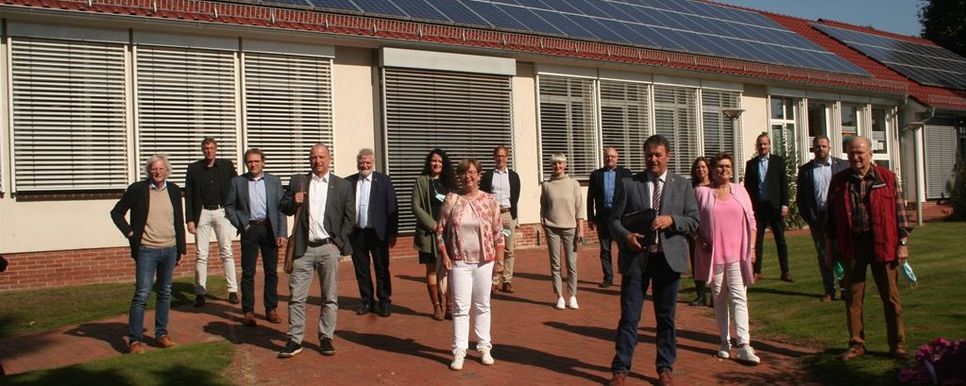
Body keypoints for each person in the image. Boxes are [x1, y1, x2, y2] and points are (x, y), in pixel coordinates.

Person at [608, 135, 699, 386]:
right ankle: (620, 368)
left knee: (666, 317)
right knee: (629, 316)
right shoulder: (629, 184)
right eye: (649, 154)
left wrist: (672, 220)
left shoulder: (682, 185)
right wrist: (626, 237)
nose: (653, 159)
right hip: (637, 258)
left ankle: (665, 368)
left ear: (668, 156)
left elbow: (694, 220)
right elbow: (613, 221)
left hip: (667, 260)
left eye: (658, 154)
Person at [825, 136, 911, 361]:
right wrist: (830, 248)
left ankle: (897, 345)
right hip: (853, 246)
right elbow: (831, 220)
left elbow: (900, 214)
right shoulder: (839, 181)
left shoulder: (887, 178)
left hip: (883, 245)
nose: (856, 157)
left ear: (870, 153)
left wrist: (903, 244)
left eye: (860, 152)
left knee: (891, 298)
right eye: (852, 152)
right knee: (853, 299)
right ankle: (856, 344)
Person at [277, 143, 355, 358]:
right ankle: (295, 339)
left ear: (329, 159)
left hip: (328, 248)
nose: (317, 161)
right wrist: (293, 201)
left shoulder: (342, 186)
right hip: (303, 248)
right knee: (296, 297)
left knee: (329, 297)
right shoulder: (299, 181)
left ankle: (326, 336)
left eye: (321, 157)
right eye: (313, 157)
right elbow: (282, 206)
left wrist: (337, 243)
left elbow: (350, 219)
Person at [110, 154, 186, 355]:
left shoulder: (174, 190)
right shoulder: (137, 189)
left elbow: (179, 220)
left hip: (169, 249)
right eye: (154, 169)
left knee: (165, 292)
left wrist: (181, 248)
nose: (157, 172)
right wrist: (130, 232)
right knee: (142, 294)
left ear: (167, 170)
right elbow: (116, 213)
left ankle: (161, 335)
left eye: (161, 168)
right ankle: (135, 340)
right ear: (149, 171)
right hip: (146, 250)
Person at [436, 158, 505, 371]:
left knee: (483, 305)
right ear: (460, 176)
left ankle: (484, 347)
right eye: (464, 173)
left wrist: (500, 261)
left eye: (472, 172)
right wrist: (445, 255)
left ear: (479, 175)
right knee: (460, 308)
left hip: (485, 261)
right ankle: (459, 351)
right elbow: (439, 232)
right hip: (460, 261)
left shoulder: (490, 200)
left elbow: (498, 233)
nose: (468, 177)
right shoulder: (452, 200)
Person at [694, 153, 760, 365]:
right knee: (719, 299)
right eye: (720, 167)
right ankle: (724, 341)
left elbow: (752, 221)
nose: (724, 170)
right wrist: (698, 238)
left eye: (728, 166)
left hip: (737, 254)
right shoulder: (702, 193)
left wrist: (751, 248)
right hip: (714, 255)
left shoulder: (740, 191)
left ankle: (744, 344)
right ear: (713, 170)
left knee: (739, 296)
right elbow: (692, 220)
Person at [225, 148, 286, 326]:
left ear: (263, 162)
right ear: (246, 163)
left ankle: (271, 308)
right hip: (249, 229)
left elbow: (281, 209)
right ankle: (248, 311)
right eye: (250, 162)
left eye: (256, 161)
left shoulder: (274, 181)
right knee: (248, 272)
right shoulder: (237, 182)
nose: (253, 164)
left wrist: (282, 233)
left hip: (269, 229)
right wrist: (241, 224)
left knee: (271, 272)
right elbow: (229, 206)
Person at [185, 137, 239, 307]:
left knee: (227, 251)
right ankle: (200, 292)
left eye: (211, 148)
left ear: (216, 149)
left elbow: (236, 187)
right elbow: (189, 195)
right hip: (202, 214)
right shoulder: (193, 168)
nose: (208, 151)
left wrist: (235, 210)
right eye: (206, 148)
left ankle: (232, 291)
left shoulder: (226, 166)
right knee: (201, 255)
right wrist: (190, 219)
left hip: (221, 212)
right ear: (202, 150)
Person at [346, 148, 399, 317]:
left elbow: (392, 207)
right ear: (357, 163)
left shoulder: (384, 181)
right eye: (362, 162)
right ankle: (367, 300)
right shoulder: (348, 182)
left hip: (378, 233)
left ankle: (384, 301)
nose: (365, 165)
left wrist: (392, 233)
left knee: (381, 268)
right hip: (357, 233)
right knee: (361, 269)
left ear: (373, 163)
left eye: (368, 162)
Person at [796, 135, 849, 302]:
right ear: (813, 149)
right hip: (818, 218)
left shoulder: (842, 166)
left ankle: (845, 288)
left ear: (829, 147)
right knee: (823, 254)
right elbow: (801, 198)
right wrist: (809, 218)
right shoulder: (805, 171)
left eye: (824, 146)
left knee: (841, 252)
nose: (821, 149)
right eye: (817, 146)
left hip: (838, 217)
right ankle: (829, 289)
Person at [412, 149, 458, 321]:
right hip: (428, 233)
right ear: (429, 163)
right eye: (433, 161)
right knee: (431, 269)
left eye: (439, 161)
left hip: (448, 233)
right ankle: (436, 306)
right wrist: (432, 224)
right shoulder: (421, 181)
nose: (436, 164)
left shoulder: (450, 184)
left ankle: (449, 307)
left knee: (449, 269)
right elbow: (416, 206)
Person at [743, 132, 792, 282]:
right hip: (758, 207)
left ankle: (785, 271)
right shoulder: (750, 164)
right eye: (760, 144)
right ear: (756, 146)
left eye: (764, 144)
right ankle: (757, 271)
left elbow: (784, 184)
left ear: (769, 145)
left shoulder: (778, 161)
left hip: (775, 207)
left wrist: (785, 204)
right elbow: (747, 187)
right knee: (757, 241)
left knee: (780, 241)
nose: (762, 146)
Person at [540, 153, 586, 310]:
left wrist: (581, 229)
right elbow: (544, 206)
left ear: (565, 165)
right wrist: (543, 220)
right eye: (554, 164)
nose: (557, 166)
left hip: (570, 228)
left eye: (560, 163)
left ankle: (572, 295)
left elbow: (579, 208)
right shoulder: (547, 185)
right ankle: (559, 296)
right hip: (552, 228)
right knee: (555, 264)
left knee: (571, 264)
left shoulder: (573, 184)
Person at [587, 147, 632, 288]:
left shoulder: (626, 174)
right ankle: (608, 277)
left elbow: (631, 195)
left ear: (617, 158)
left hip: (621, 218)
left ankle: (626, 274)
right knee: (605, 249)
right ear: (604, 158)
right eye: (607, 156)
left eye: (613, 156)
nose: (610, 159)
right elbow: (590, 198)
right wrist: (590, 218)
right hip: (603, 217)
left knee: (623, 247)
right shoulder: (596, 175)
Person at [480, 145, 521, 293]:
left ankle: (507, 280)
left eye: (503, 156)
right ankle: (493, 281)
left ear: (507, 157)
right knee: (492, 249)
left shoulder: (514, 176)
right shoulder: (488, 176)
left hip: (507, 216)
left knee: (509, 249)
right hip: (492, 216)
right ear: (494, 157)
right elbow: (483, 196)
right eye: (498, 156)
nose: (500, 158)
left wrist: (514, 217)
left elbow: (515, 197)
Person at [687, 156, 712, 307]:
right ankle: (700, 295)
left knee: (714, 264)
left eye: (703, 167)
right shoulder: (692, 189)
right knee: (697, 263)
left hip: (712, 230)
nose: (701, 170)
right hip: (695, 230)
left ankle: (715, 296)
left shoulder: (715, 187)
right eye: (698, 168)